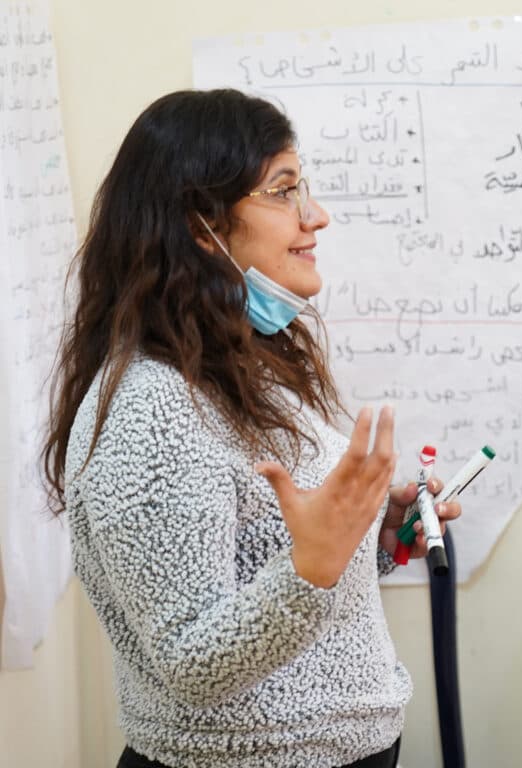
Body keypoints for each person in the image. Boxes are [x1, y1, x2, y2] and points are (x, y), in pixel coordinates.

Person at [42, 88, 460, 768]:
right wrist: (314, 564)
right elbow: (191, 661)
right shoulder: (152, 406)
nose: (315, 217)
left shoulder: (250, 371)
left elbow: (275, 571)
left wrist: (370, 533)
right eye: (282, 191)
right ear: (201, 224)